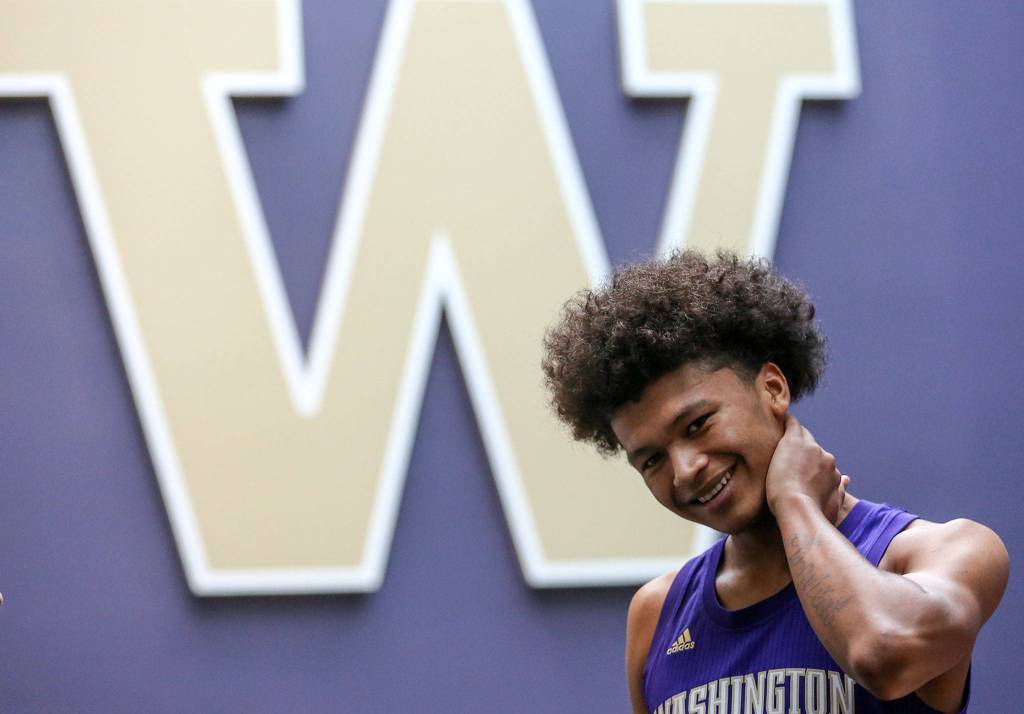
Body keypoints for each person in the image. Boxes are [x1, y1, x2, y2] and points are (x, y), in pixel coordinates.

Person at [541, 251, 1008, 713]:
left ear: (772, 389)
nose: (683, 470)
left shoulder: (942, 551)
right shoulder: (657, 613)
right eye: (651, 460)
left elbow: (882, 654)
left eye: (697, 424)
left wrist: (795, 501)